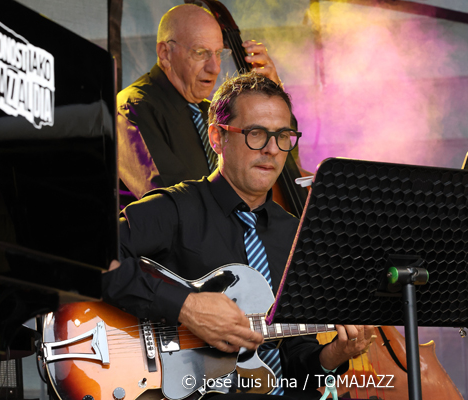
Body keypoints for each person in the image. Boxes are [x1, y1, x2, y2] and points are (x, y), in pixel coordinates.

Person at [103, 72, 374, 399]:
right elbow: (93, 256)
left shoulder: (295, 235)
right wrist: (185, 307)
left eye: (283, 136)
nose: (272, 149)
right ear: (217, 137)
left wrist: (332, 357)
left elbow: (294, 360)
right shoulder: (175, 208)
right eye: (256, 134)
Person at [117, 4, 282, 200]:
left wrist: (273, 98)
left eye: (219, 53)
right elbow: (172, 203)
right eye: (200, 53)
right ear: (165, 53)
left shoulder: (210, 110)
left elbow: (279, 156)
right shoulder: (133, 108)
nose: (215, 68)